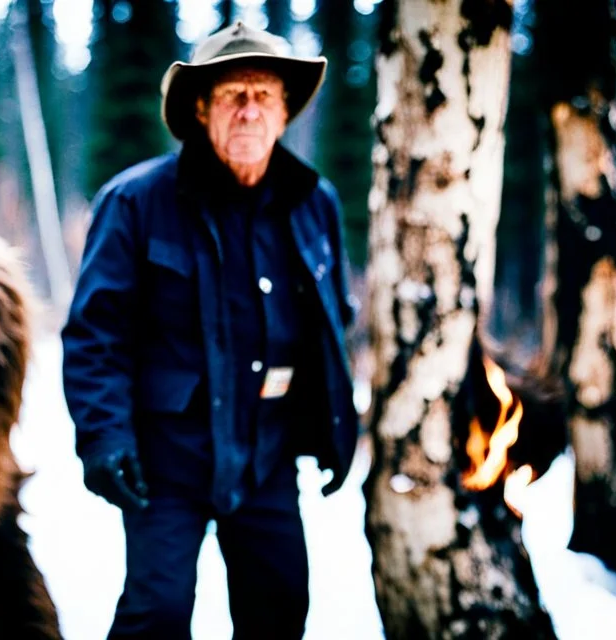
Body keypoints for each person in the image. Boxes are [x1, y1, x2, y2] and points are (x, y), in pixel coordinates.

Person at [61, 21, 360, 639]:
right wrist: (104, 437)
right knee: (158, 614)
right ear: (201, 109)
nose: (249, 112)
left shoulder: (315, 202)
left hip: (268, 456)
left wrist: (335, 423)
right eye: (233, 96)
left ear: (284, 112)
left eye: (264, 96)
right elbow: (95, 334)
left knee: (280, 606)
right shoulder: (136, 201)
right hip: (165, 459)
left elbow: (333, 323)